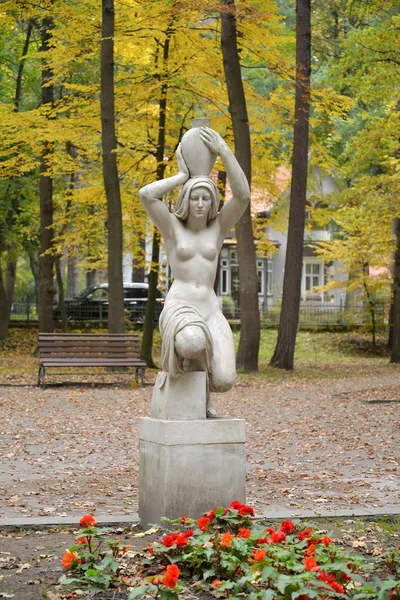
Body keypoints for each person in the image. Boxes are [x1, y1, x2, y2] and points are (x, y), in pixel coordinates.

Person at [139, 127, 250, 417]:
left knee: (224, 379)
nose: (200, 203)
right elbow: (147, 195)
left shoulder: (218, 229)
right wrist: (181, 176)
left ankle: (203, 392)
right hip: (181, 307)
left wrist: (225, 152)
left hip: (210, 310)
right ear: (186, 200)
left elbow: (242, 196)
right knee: (192, 341)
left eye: (206, 198)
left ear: (213, 202)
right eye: (195, 197)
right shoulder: (172, 227)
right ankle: (184, 386)